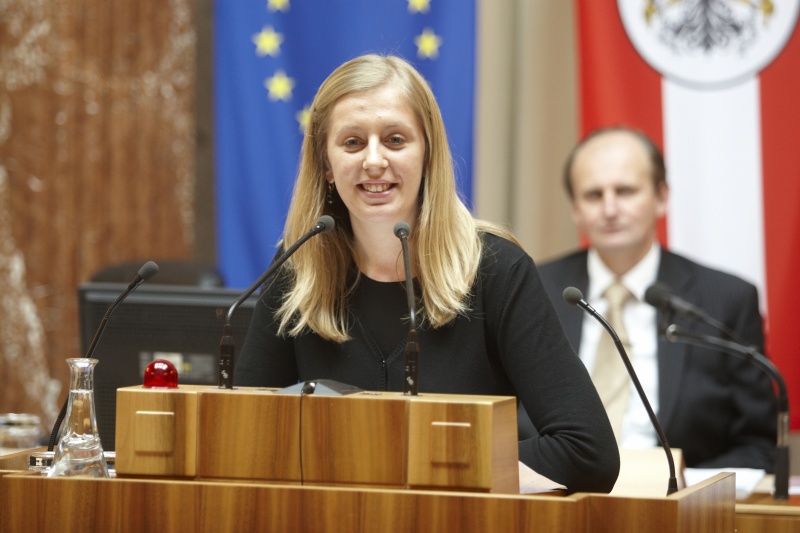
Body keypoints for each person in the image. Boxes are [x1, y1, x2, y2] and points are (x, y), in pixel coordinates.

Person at [233, 54, 619, 493]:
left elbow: (588, 453)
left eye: (395, 140)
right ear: (325, 164)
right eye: (353, 142)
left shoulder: (496, 270)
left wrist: (419, 465)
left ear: (427, 154)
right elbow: (243, 436)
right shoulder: (298, 268)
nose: (373, 161)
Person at [523, 126, 776, 471]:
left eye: (625, 191)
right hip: (554, 491)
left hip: (676, 496)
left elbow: (758, 445)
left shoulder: (724, 299)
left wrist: (690, 488)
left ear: (661, 197)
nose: (610, 209)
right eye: (594, 195)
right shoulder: (533, 289)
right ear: (575, 209)